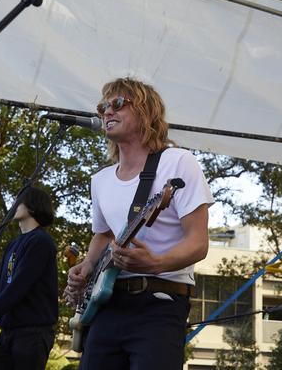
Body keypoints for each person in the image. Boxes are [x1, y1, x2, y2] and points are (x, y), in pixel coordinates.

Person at [64, 77, 214, 370]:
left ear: (146, 112)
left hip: (160, 303)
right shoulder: (101, 180)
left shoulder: (178, 163)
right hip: (108, 305)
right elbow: (103, 234)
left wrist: (155, 263)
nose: (107, 112)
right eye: (102, 107)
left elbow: (198, 242)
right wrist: (86, 267)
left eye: (118, 103)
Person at [0, 186, 58, 370]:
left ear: (32, 206)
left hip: (32, 334)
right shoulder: (13, 245)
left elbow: (18, 286)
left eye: (19, 201)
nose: (14, 205)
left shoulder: (41, 242)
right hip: (8, 332)